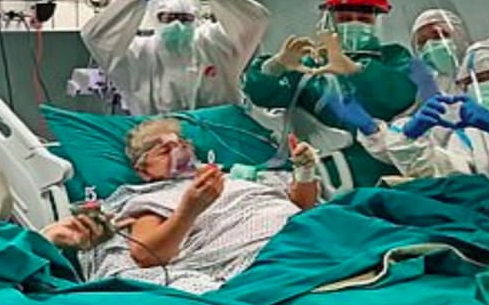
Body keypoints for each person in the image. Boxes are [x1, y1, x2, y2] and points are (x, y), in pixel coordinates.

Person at [80, 117, 320, 293]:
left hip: (310, 234)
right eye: (165, 151)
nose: (179, 152)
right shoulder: (151, 197)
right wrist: (190, 208)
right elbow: (146, 255)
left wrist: (305, 170)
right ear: (143, 171)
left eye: (183, 145)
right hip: (270, 255)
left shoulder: (234, 178)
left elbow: (302, 206)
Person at [325, 38, 489, 191]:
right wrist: (406, 138)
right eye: (468, 82)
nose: (478, 86)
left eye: (486, 77)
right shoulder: (468, 134)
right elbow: (439, 174)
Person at [80, 0, 270, 115]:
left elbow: (256, 19)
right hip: (158, 142)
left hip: (218, 139)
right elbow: (94, 35)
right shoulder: (137, 56)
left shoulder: (216, 45)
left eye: (185, 18)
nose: (177, 24)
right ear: (155, 19)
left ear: (197, 19)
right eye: (168, 18)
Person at [243, 0, 416, 131]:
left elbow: (401, 96)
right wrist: (273, 68)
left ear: (377, 22)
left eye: (364, 20)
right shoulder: (313, 64)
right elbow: (264, 98)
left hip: (379, 160)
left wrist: (357, 70)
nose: (354, 24)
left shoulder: (394, 57)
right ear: (331, 22)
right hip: (319, 162)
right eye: (345, 19)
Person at [409, 8, 472, 93]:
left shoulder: (486, 64)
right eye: (422, 42)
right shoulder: (426, 91)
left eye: (438, 37)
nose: (430, 46)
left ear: (460, 36)